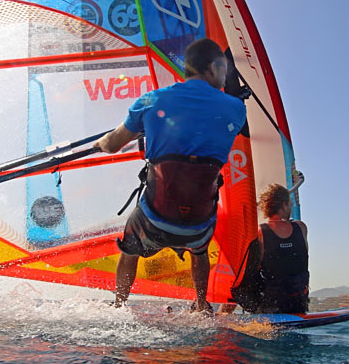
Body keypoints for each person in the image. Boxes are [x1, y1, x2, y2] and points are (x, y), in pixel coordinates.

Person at [96, 38, 246, 313]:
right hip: (199, 225)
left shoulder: (151, 100)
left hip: (154, 218)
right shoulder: (236, 108)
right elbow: (213, 124)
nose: (224, 76)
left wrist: (101, 143)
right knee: (200, 251)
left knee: (129, 249)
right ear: (213, 67)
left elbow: (112, 144)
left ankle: (119, 305)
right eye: (223, 70)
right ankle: (202, 306)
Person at [222, 176, 309, 314]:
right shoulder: (301, 227)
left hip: (272, 305)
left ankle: (223, 314)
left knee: (240, 279)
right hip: (299, 303)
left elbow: (248, 272)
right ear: (283, 205)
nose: (291, 207)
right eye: (290, 204)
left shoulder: (259, 232)